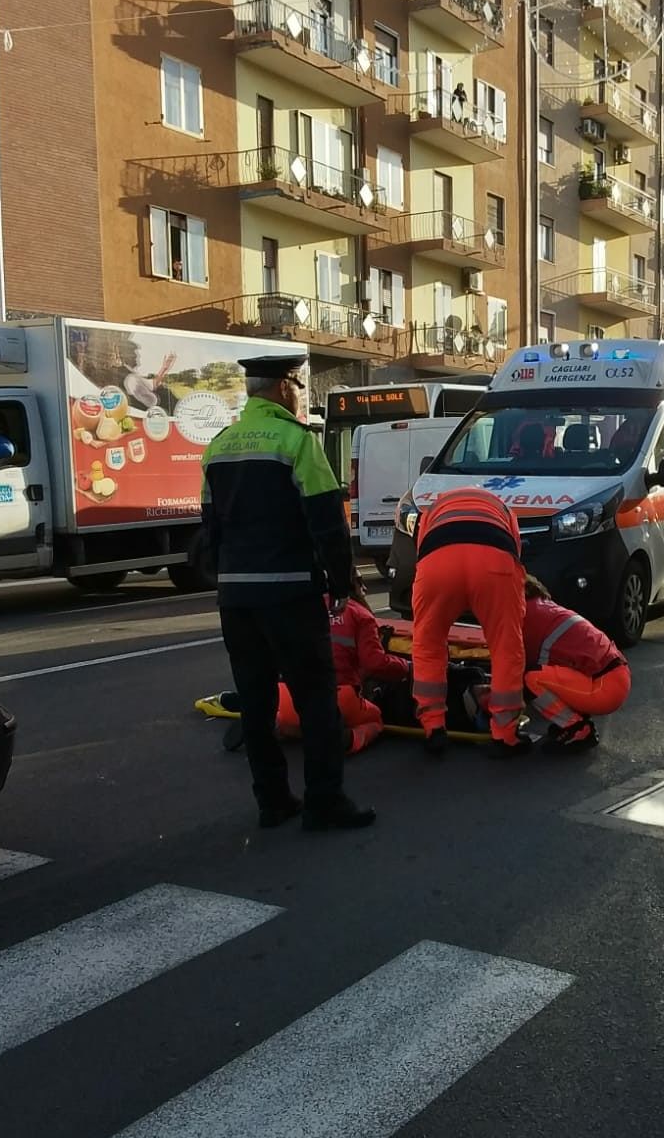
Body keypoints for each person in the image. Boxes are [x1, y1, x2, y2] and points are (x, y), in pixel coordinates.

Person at [201, 355, 375, 832]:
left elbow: (210, 528)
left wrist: (231, 576)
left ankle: (273, 801)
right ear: (282, 387)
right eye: (299, 384)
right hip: (291, 596)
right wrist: (343, 585)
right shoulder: (298, 442)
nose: (300, 393)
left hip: (236, 600)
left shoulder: (218, 447)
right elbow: (328, 524)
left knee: (256, 703)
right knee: (316, 700)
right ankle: (325, 802)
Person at [411, 487, 529, 758]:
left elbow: (421, 548)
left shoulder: (434, 507)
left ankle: (434, 728)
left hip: (438, 563)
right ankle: (504, 734)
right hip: (494, 560)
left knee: (428, 642)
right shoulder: (502, 507)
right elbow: (516, 549)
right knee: (506, 646)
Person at [474, 575, 629, 753]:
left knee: (529, 678)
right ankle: (574, 721)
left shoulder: (521, 617)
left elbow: (512, 678)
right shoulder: (541, 607)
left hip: (603, 686)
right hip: (612, 678)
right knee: (537, 675)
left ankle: (576, 727)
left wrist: (486, 701)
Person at [276, 572, 406, 755]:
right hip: (337, 698)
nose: (365, 589)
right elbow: (374, 664)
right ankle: (348, 740)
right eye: (361, 582)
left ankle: (277, 725)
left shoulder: (296, 609)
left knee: (295, 718)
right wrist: (404, 667)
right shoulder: (359, 614)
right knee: (375, 719)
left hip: (287, 696)